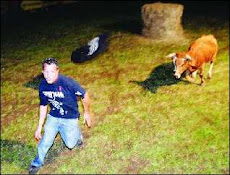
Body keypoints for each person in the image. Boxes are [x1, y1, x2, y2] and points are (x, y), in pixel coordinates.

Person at [28, 57, 92, 174]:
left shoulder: (68, 83)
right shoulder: (43, 86)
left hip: (70, 117)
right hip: (54, 116)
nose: (49, 75)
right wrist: (39, 127)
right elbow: (43, 106)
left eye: (52, 71)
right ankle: (38, 161)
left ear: (57, 71)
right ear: (42, 73)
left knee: (71, 144)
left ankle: (77, 135)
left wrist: (87, 112)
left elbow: (85, 94)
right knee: (46, 140)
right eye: (46, 72)